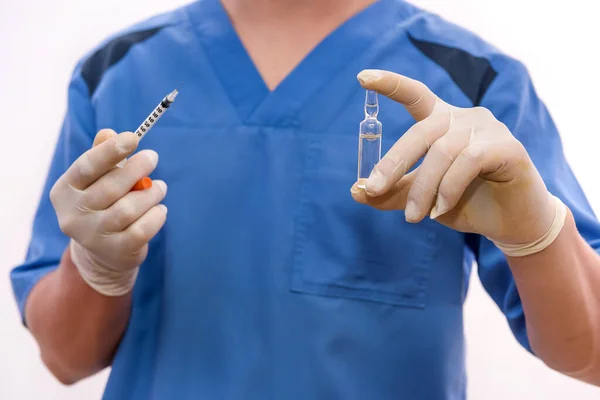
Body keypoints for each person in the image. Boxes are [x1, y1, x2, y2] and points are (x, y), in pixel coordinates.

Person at [10, 0, 600, 398]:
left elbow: (591, 353)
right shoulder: (117, 72)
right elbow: (66, 359)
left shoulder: (475, 82)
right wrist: (96, 267)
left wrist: (537, 233)